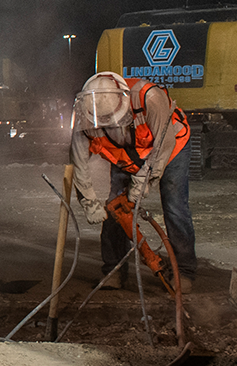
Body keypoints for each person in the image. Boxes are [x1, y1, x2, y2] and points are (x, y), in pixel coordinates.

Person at [70, 71, 197, 293]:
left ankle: (183, 271)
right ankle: (114, 271)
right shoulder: (84, 111)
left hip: (170, 149)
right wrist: (88, 201)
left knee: (174, 206)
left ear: (123, 100)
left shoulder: (149, 97)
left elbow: (163, 146)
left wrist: (143, 182)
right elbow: (78, 162)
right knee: (114, 209)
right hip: (125, 159)